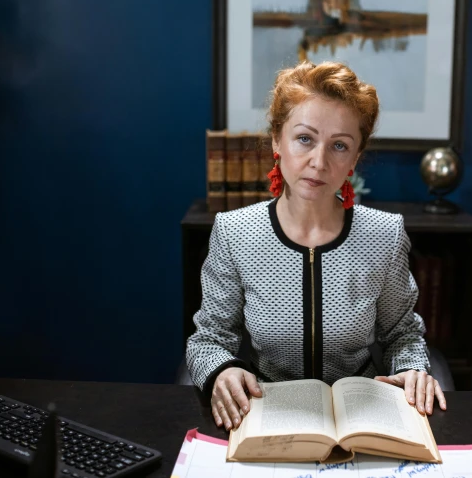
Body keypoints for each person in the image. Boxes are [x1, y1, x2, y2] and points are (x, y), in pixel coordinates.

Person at [185, 60, 445, 432]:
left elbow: (402, 334)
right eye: (304, 138)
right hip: (266, 413)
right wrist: (222, 371)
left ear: (355, 157)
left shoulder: (384, 234)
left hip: (363, 415)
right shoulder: (234, 232)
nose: (319, 162)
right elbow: (208, 339)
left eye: (339, 145)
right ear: (277, 139)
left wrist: (412, 369)